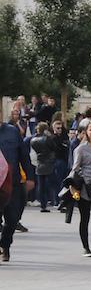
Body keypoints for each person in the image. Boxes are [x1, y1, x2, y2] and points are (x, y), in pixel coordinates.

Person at [0, 104, 33, 262]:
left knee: (13, 219)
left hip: (12, 184)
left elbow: (24, 156)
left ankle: (5, 244)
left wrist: (30, 177)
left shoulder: (12, 131)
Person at [71, 118, 91, 257]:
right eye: (90, 130)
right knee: (85, 218)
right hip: (85, 186)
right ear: (86, 132)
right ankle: (86, 247)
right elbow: (75, 168)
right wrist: (75, 186)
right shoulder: (80, 149)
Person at [31, 122, 58, 211]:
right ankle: (55, 201)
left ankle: (43, 204)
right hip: (49, 162)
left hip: (39, 162)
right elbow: (54, 147)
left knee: (41, 185)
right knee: (52, 184)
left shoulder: (33, 140)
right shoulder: (47, 139)